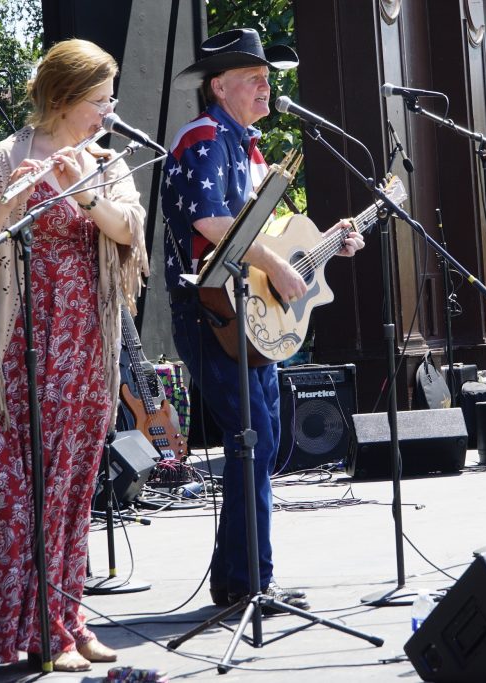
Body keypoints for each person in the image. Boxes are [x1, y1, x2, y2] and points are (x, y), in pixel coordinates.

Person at [0, 39, 149, 672]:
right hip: (19, 346)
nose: (108, 110)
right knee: (24, 488)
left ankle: (69, 618)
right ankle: (33, 629)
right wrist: (9, 201)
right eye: (101, 99)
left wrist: (84, 192)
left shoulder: (103, 157)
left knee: (73, 487)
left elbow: (130, 228)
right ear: (67, 97)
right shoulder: (7, 154)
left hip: (86, 345)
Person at [162, 28, 365, 610]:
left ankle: (238, 578)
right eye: (254, 79)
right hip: (212, 313)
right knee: (254, 438)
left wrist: (327, 245)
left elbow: (266, 238)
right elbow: (210, 223)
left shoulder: (245, 146)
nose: (267, 88)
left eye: (268, 79)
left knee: (262, 440)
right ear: (219, 86)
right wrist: (277, 264)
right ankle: (252, 581)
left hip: (246, 314)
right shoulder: (204, 137)